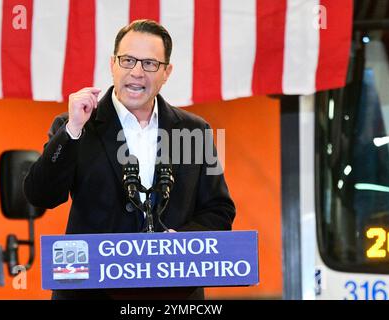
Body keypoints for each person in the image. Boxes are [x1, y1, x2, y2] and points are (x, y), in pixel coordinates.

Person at [24, 19, 235, 300]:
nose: (137, 72)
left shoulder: (193, 130)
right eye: (128, 60)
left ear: (167, 72)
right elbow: (41, 195)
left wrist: (184, 241)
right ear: (112, 64)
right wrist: (71, 131)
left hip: (173, 295)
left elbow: (218, 210)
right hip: (92, 293)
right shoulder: (77, 125)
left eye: (150, 64)